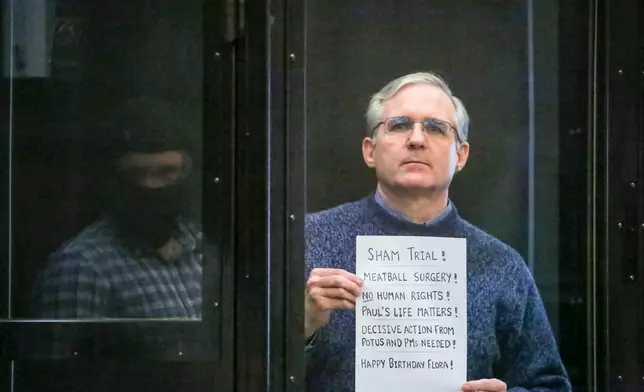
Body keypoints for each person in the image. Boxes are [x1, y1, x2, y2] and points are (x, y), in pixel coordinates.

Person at [304, 72, 572, 392]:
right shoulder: (305, 241)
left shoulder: (502, 264)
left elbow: (550, 385)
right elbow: (241, 369)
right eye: (399, 124)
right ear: (370, 151)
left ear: (460, 155)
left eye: (435, 128)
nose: (416, 139)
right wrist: (301, 326)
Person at [31, 97, 204, 319]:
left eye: (167, 172)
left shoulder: (198, 248)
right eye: (137, 174)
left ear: (185, 173)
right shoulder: (81, 269)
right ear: (114, 180)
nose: (152, 186)